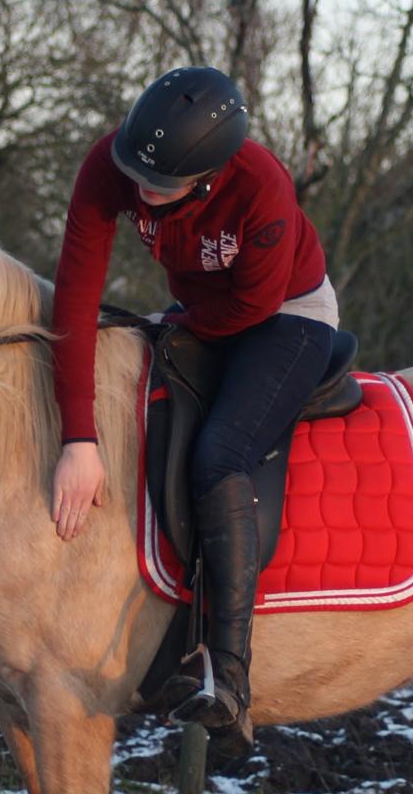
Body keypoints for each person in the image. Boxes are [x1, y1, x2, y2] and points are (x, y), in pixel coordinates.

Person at [50, 65, 339, 735]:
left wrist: (174, 324)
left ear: (210, 175)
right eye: (137, 180)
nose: (143, 197)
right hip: (200, 306)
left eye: (163, 187)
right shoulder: (112, 165)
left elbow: (251, 305)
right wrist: (79, 439)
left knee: (219, 454)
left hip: (287, 316)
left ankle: (230, 674)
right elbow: (75, 295)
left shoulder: (263, 186)